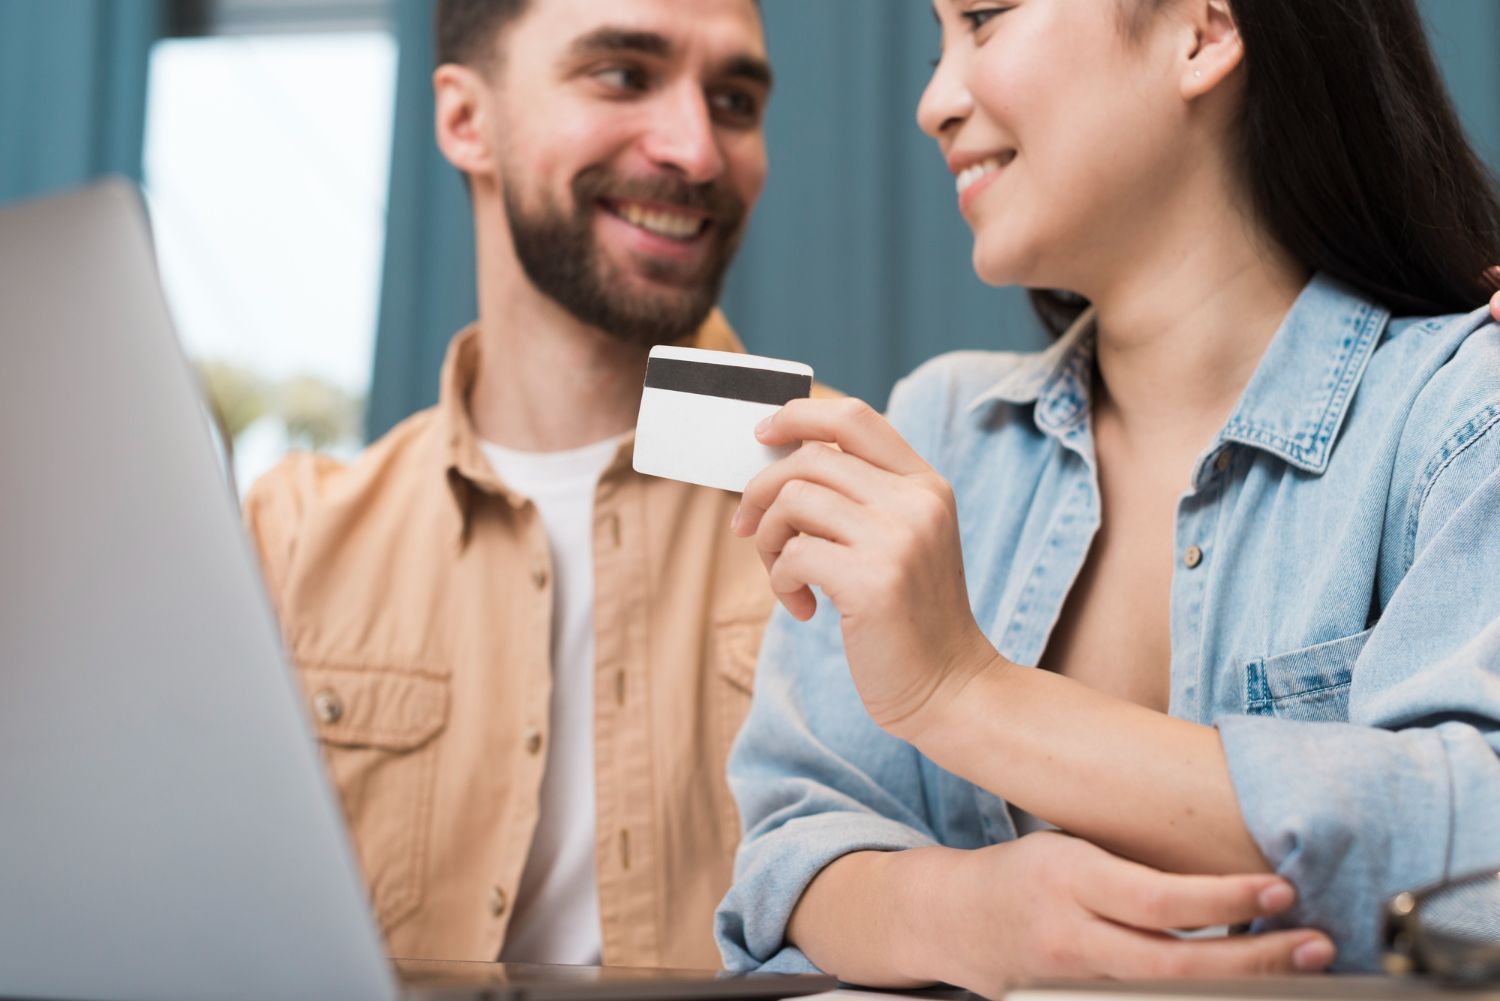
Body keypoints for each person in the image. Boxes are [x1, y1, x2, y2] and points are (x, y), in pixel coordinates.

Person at [716, 0, 1500, 994]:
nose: (933, 102)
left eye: (986, 20)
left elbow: (1482, 836)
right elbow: (790, 850)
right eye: (935, 43)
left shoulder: (1461, 416)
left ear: (1203, 31)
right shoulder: (935, 430)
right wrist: (973, 916)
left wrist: (967, 692)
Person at [244, 0, 787, 969]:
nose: (698, 151)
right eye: (624, 74)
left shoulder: (857, 494)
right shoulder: (284, 541)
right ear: (466, 121)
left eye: (735, 99)